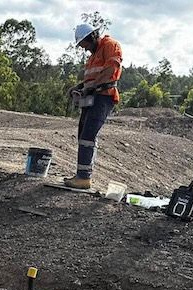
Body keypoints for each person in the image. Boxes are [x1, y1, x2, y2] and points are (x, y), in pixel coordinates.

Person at [64, 24, 123, 190]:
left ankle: (84, 178)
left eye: (85, 45)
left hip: (103, 96)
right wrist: (79, 87)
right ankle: (82, 175)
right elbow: (91, 79)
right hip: (92, 97)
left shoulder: (110, 45)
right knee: (83, 135)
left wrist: (91, 87)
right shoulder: (93, 55)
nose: (85, 49)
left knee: (88, 135)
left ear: (92, 37)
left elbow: (110, 70)